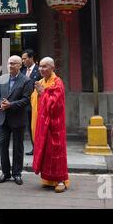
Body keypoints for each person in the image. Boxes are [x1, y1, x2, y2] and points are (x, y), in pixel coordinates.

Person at [31, 57, 69, 193]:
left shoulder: (57, 83)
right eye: (40, 66)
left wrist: (42, 93)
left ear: (53, 68)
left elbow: (55, 105)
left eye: (45, 66)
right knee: (46, 152)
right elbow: (34, 100)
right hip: (43, 123)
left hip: (55, 125)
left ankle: (60, 181)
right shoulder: (41, 82)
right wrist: (38, 94)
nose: (41, 69)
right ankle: (48, 179)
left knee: (56, 152)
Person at [0, 55, 32, 185]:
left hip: (18, 118)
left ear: (20, 65)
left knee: (18, 147)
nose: (10, 66)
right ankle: (5, 173)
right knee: (2, 146)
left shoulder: (26, 80)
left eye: (14, 63)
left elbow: (26, 100)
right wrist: (0, 104)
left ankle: (17, 173)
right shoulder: (2, 78)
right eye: (9, 63)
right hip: (3, 118)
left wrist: (11, 104)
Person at [20, 49, 41, 156]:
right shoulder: (23, 72)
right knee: (30, 127)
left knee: (37, 126)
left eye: (25, 58)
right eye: (22, 59)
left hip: (37, 103)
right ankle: (34, 147)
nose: (23, 61)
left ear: (31, 58)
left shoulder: (39, 70)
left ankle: (39, 147)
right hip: (25, 104)